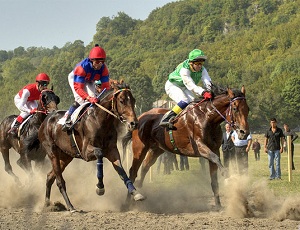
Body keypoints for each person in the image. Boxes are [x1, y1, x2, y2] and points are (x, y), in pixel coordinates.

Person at [159, 49, 213, 129]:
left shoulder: (202, 69)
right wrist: (203, 92)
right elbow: (191, 85)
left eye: (201, 63)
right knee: (185, 100)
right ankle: (166, 118)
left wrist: (211, 90)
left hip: (184, 87)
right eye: (198, 63)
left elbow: (207, 80)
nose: (200, 66)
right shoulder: (184, 70)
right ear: (191, 63)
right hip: (172, 85)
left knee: (193, 101)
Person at [62, 44, 110, 131]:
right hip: (75, 79)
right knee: (80, 99)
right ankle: (68, 119)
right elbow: (78, 88)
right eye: (97, 62)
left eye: (102, 62)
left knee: (95, 98)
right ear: (91, 60)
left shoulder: (104, 69)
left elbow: (106, 87)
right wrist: (88, 98)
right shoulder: (82, 68)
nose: (100, 65)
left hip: (89, 79)